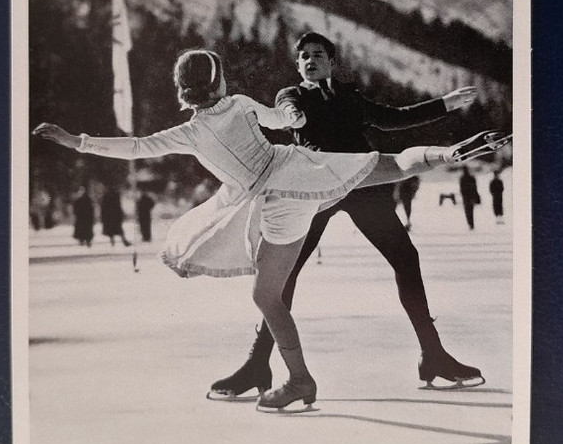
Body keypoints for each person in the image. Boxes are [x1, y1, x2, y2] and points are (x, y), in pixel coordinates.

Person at [33, 48, 507, 410]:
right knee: (383, 165)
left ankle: (298, 379)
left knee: (267, 296)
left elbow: (135, 147)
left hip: (273, 202)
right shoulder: (238, 103)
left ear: (185, 89)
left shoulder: (188, 132)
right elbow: (280, 119)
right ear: (218, 81)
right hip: (295, 168)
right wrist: (293, 117)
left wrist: (77, 141)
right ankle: (450, 153)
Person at [210, 32, 486, 398]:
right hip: (316, 191)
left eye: (318, 54)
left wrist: (445, 105)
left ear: (331, 62)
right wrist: (292, 117)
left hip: (363, 186)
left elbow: (391, 119)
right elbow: (291, 116)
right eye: (303, 56)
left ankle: (433, 355)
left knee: (406, 258)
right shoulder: (291, 96)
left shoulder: (349, 95)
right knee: (283, 276)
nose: (310, 60)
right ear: (298, 65)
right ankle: (257, 365)